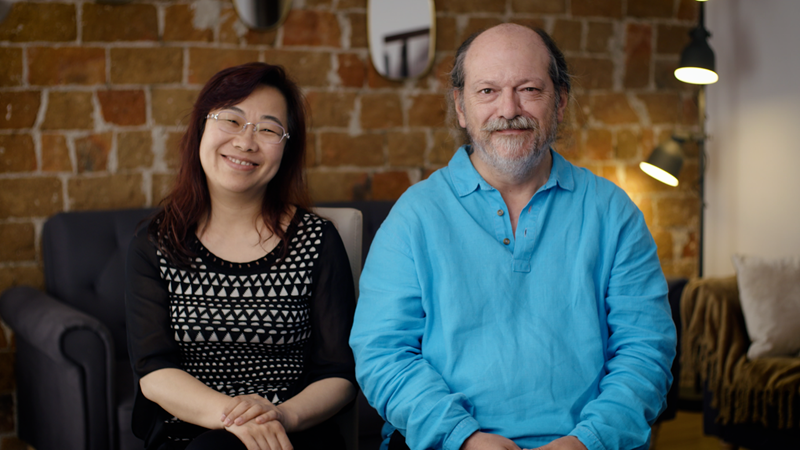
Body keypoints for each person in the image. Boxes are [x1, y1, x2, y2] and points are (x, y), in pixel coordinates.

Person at [349, 24, 677, 450]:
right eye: (487, 91)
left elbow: (646, 351)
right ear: (461, 107)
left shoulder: (613, 213)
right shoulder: (414, 216)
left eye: (529, 89)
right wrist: (463, 438)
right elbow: (383, 354)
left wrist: (588, 441)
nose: (508, 109)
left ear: (560, 102)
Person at [126, 62, 357, 450]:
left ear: (287, 147)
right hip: (190, 434)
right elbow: (154, 370)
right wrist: (236, 419)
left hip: (291, 433)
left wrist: (279, 417)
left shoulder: (316, 240)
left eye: (268, 129)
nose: (246, 142)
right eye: (231, 120)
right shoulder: (156, 242)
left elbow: (339, 374)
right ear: (201, 127)